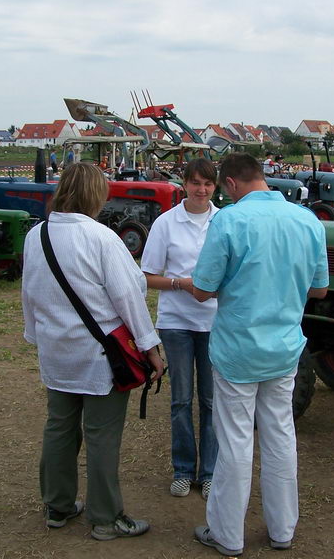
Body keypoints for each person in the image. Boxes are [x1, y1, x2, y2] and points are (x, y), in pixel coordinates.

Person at [190, 153, 329, 556]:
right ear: (262, 177)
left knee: (234, 442)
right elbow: (319, 289)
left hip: (238, 350)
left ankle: (227, 535)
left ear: (230, 184)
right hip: (283, 348)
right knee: (280, 435)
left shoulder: (229, 220)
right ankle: (282, 529)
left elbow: (202, 288)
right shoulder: (307, 221)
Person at [21, 162, 164, 542]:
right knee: (101, 435)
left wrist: (35, 334)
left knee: (60, 428)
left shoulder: (36, 236)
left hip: (56, 352)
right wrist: (150, 346)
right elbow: (128, 297)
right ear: (94, 194)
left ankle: (58, 505)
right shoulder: (101, 238)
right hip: (100, 357)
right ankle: (105, 517)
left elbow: (30, 291)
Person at [140, 158, 220, 501]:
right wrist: (181, 284)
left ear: (215, 187)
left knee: (212, 401)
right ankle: (184, 469)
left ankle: (211, 472)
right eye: (195, 183)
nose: (201, 190)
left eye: (208, 184)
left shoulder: (224, 222)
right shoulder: (165, 223)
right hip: (176, 324)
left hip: (215, 323)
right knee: (181, 400)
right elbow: (147, 276)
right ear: (184, 183)